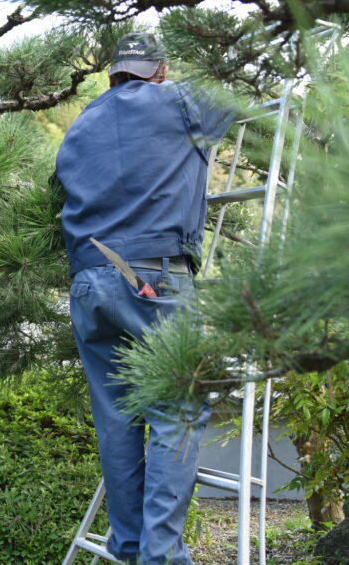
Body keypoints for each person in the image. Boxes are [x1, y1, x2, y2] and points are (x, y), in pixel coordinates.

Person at [55, 32, 237, 564]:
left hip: (90, 281)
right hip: (152, 277)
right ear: (158, 70)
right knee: (175, 412)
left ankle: (130, 548)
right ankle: (161, 556)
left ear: (113, 74)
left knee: (116, 418)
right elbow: (244, 85)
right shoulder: (178, 99)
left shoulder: (82, 122)